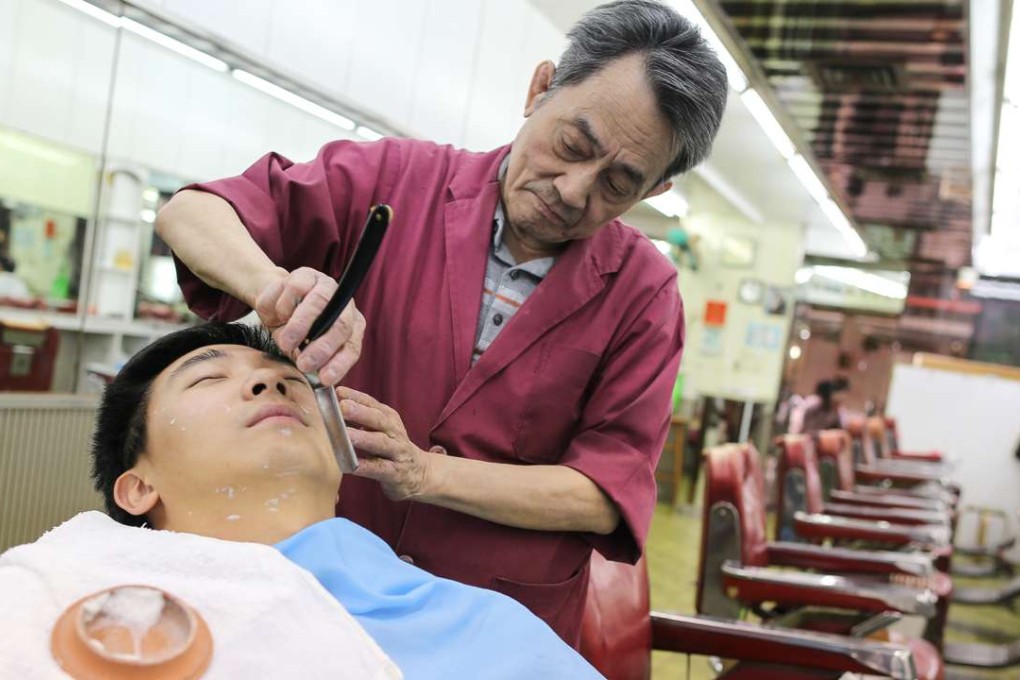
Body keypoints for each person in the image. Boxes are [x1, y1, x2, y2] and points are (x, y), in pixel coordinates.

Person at [156, 0, 728, 642]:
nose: (573, 190)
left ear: (651, 194)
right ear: (540, 89)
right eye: (572, 145)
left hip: (498, 624)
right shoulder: (393, 180)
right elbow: (190, 214)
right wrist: (275, 288)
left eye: (618, 183)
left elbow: (602, 493)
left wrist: (425, 473)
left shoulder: (644, 293)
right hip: (321, 583)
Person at [0, 322, 600, 679]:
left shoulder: (486, 624)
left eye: (287, 376)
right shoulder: (64, 587)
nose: (270, 381)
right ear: (138, 487)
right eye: (209, 379)